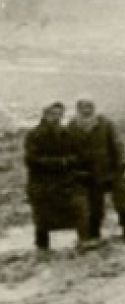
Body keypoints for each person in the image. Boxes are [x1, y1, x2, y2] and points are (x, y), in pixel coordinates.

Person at [70, 98, 125, 243]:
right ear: (78, 109)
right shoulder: (72, 126)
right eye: (83, 107)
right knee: (95, 204)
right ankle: (95, 234)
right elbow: (68, 148)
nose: (87, 110)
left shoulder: (105, 123)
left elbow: (118, 143)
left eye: (90, 107)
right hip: (89, 172)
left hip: (110, 169)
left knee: (121, 199)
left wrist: (123, 161)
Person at [24, 102, 84, 252]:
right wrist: (59, 162)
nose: (56, 117)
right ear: (45, 114)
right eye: (52, 114)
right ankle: (42, 248)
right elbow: (31, 160)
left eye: (59, 114)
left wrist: (69, 162)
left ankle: (83, 242)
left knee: (77, 209)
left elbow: (77, 155)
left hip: (65, 181)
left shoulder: (67, 134)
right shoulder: (34, 135)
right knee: (42, 217)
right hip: (41, 182)